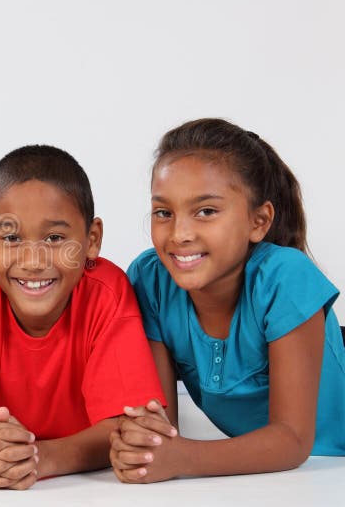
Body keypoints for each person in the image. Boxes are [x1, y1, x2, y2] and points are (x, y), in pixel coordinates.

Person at [111, 118, 345, 483]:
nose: (180, 234)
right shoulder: (151, 280)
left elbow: (293, 441)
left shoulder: (286, 277)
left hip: (327, 470)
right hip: (276, 483)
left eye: (206, 211)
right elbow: (160, 426)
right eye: (163, 212)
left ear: (259, 221)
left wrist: (182, 459)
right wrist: (142, 446)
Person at [0, 145, 165, 490]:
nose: (34, 260)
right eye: (11, 237)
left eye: (55, 238)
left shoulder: (107, 293)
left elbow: (127, 428)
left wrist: (40, 458)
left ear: (91, 240)